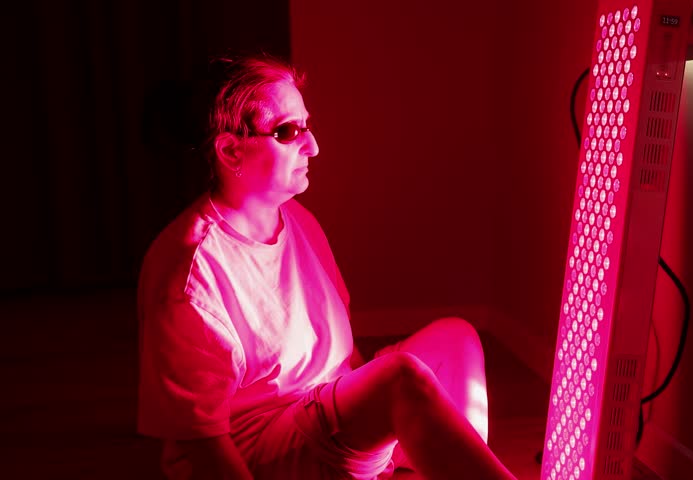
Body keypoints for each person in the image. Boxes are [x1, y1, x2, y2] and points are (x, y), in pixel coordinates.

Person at [136, 53, 517, 480]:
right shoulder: (189, 270)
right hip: (264, 450)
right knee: (401, 379)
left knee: (456, 338)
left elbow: (341, 351)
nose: (312, 145)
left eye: (307, 125)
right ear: (230, 149)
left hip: (322, 417)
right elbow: (201, 440)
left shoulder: (298, 220)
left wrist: (373, 425)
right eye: (287, 131)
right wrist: (382, 408)